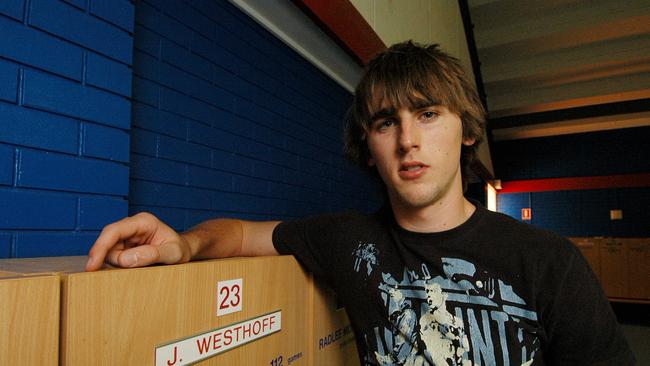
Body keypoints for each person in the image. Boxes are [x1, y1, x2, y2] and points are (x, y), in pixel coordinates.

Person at [86, 41, 634, 365]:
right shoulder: (351, 242)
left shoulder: (550, 263)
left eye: (427, 114)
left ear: (466, 130)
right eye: (385, 122)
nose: (407, 140)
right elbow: (241, 233)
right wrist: (184, 243)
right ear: (369, 148)